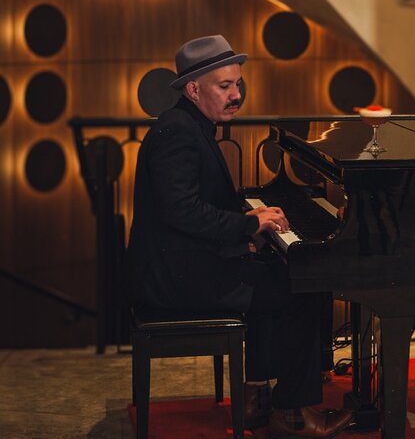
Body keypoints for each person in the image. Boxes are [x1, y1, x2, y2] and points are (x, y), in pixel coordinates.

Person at [125, 35, 353, 438]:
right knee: (303, 287)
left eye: (237, 85)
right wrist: (249, 224)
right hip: (175, 281)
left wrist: (249, 221)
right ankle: (294, 415)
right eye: (224, 86)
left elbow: (193, 206)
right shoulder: (177, 133)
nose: (236, 95)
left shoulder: (189, 124)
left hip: (182, 266)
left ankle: (255, 399)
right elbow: (180, 210)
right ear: (194, 89)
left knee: (270, 271)